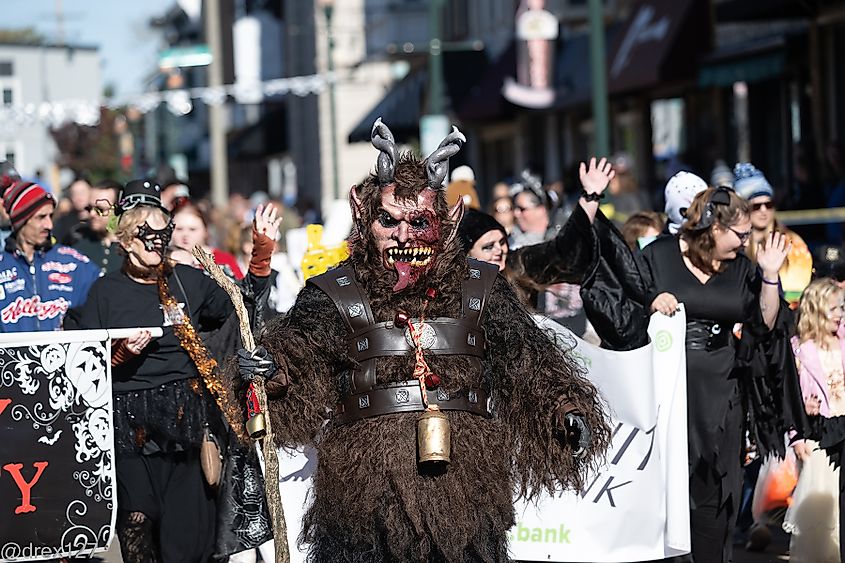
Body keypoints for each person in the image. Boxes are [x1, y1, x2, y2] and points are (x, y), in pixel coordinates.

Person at [236, 119, 609, 562]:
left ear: (446, 224)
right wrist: (270, 371)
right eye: (389, 222)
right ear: (364, 217)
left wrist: (563, 406)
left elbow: (528, 360)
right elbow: (297, 358)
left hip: (467, 490)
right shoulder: (333, 292)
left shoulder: (482, 286)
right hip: (364, 498)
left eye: (419, 222)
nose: (404, 236)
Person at [65, 179, 279, 562]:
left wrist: (261, 253)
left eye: (161, 235)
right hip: (125, 430)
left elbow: (241, 306)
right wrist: (119, 355)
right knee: (137, 524)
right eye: (146, 237)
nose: (157, 246)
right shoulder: (104, 293)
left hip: (187, 429)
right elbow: (79, 366)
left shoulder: (187, 280)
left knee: (187, 543)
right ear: (126, 241)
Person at [641, 187, 805, 563]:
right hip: (668, 384)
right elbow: (628, 303)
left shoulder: (741, 267)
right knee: (669, 486)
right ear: (714, 227)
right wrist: (652, 301)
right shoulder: (659, 255)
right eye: (740, 234)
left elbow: (765, 325)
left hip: (722, 386)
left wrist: (768, 275)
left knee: (714, 490)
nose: (746, 241)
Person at [783, 278, 845, 563]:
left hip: (843, 424)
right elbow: (789, 397)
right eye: (833, 308)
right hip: (819, 432)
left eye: (842, 308)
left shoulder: (842, 341)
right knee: (821, 507)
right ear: (817, 310)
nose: (839, 314)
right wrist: (796, 434)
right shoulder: (799, 349)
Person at [0, 181, 99, 331]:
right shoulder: (2, 266)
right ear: (21, 220)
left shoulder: (74, 262)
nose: (49, 225)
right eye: (41, 217)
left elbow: (105, 305)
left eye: (50, 216)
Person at [734, 162, 812, 305]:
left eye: (769, 205)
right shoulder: (734, 244)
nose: (764, 210)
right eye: (756, 206)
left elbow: (798, 288)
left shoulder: (792, 242)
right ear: (744, 209)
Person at [171, 199, 244, 279]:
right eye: (179, 229)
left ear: (205, 231)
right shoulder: (161, 261)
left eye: (192, 229)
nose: (185, 234)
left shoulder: (223, 260)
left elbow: (241, 289)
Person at [70, 179, 123, 275]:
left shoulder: (131, 250)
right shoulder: (78, 245)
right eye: (90, 208)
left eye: (100, 210)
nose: (92, 214)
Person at [53, 177, 91, 245]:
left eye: (82, 192)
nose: (78, 197)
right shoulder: (63, 222)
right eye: (74, 193)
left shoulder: (97, 221)